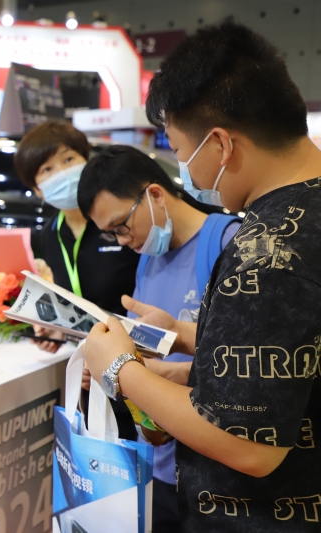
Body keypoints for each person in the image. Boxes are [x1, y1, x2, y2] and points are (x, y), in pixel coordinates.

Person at [82, 20, 321, 533]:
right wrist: (190, 344)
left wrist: (121, 367)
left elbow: (250, 444)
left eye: (178, 151)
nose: (184, 172)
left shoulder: (268, 247)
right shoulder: (302, 216)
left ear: (220, 144)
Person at [76, 145, 240, 532]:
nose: (121, 240)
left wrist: (163, 373)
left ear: (154, 194)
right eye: (110, 233)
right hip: (160, 460)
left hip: (216, 469)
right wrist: (109, 370)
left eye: (121, 225)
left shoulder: (228, 244)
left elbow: (247, 364)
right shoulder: (148, 259)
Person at [14, 119, 140, 441]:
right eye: (47, 169)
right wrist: (58, 329)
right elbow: (74, 301)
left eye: (69, 159)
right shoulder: (50, 233)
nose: (62, 172)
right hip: (88, 372)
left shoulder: (117, 218)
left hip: (137, 365)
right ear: (37, 189)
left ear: (87, 160)